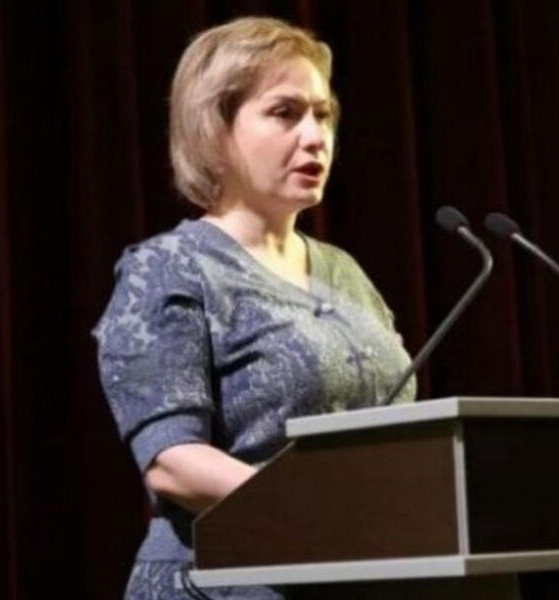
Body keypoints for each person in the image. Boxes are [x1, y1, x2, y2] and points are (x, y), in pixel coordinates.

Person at [93, 16, 416, 600]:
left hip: (357, 575)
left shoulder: (345, 271)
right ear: (215, 131)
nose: (315, 137)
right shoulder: (168, 268)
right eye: (285, 113)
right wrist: (322, 515)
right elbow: (172, 461)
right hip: (223, 581)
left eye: (322, 114)